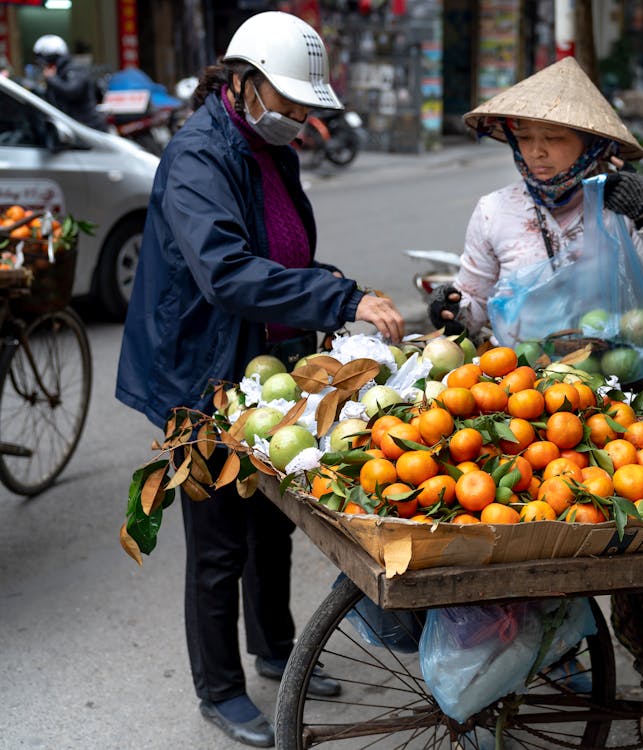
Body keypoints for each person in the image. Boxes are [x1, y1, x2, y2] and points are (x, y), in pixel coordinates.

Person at [115, 12, 404, 748]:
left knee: (272, 521)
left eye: (308, 106)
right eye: (290, 102)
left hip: (266, 368)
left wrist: (332, 291)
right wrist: (339, 298)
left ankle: (275, 650)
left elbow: (282, 252)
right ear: (239, 83)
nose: (301, 118)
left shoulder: (272, 148)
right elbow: (227, 273)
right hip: (202, 372)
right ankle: (218, 690)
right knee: (217, 543)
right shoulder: (197, 157)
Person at [428, 56, 643, 340]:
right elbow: (474, 309)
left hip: (614, 376)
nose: (536, 152)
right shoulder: (494, 211)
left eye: (553, 138)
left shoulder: (624, 210)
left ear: (590, 143)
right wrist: (452, 311)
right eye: (524, 137)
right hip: (520, 378)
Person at [32, 34, 107, 131]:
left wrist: (51, 79)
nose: (44, 66)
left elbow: (72, 91)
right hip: (72, 127)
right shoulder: (57, 73)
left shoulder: (75, 69)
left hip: (89, 129)